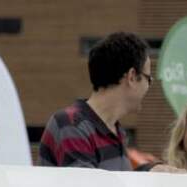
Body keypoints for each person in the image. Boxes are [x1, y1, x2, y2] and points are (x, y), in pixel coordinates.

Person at [38, 32, 154, 170]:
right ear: (132, 77)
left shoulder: (115, 131)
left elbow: (117, 182)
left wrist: (150, 169)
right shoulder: (71, 125)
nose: (148, 87)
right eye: (148, 79)